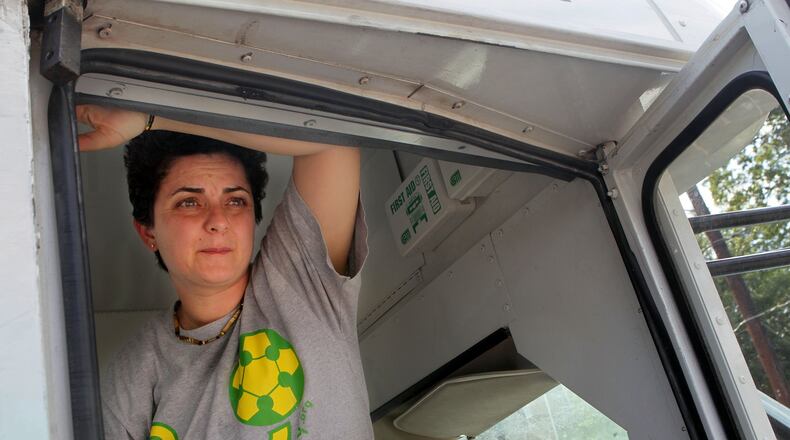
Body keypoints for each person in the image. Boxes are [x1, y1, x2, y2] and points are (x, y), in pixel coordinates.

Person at [77, 104, 373, 439]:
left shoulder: (301, 284)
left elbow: (332, 136)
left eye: (235, 201)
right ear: (149, 233)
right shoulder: (135, 373)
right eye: (189, 202)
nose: (218, 221)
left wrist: (152, 119)